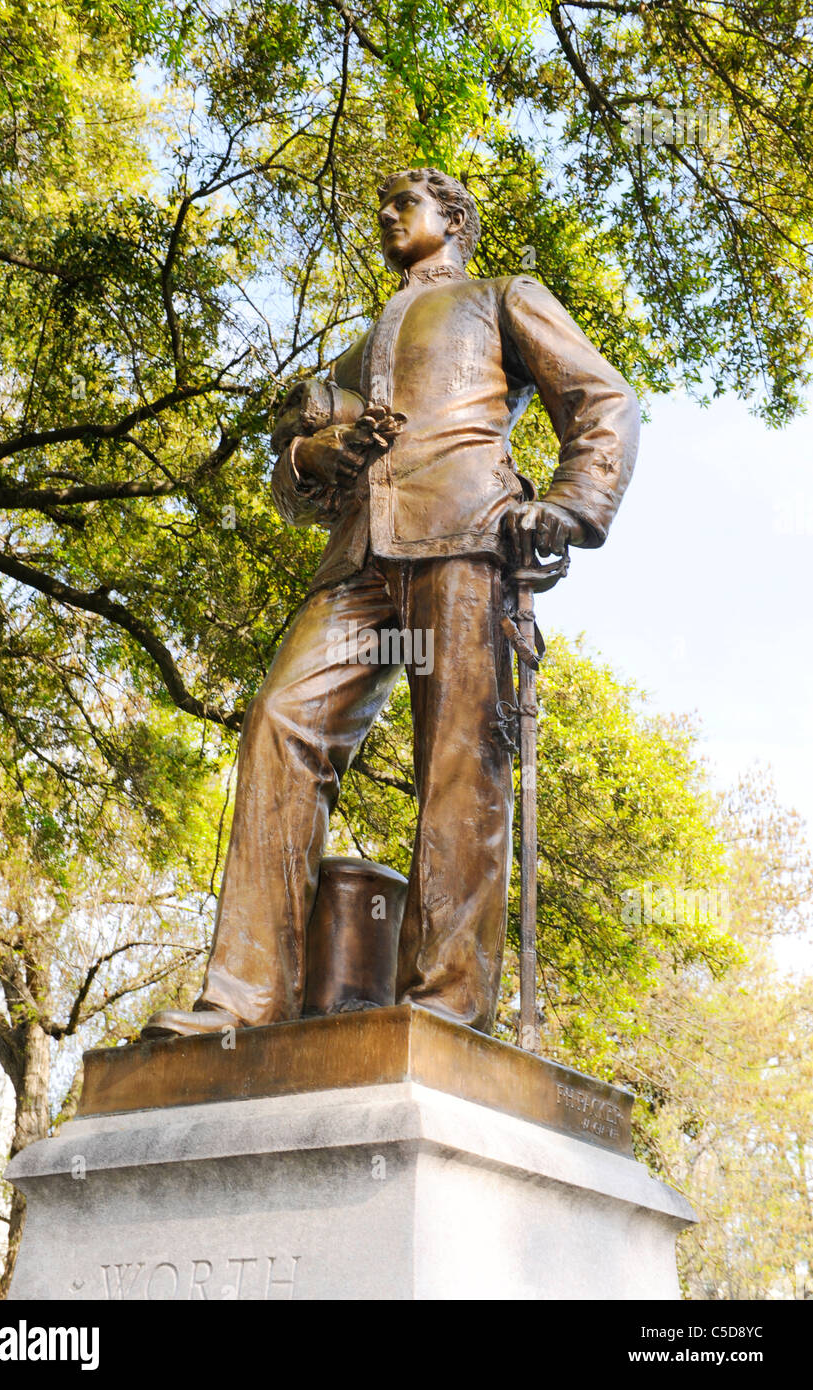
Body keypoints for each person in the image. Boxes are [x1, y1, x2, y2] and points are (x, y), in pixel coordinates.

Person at [143, 167, 639, 1039]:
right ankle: (245, 996)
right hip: (356, 564)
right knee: (279, 721)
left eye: (401, 203)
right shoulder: (352, 354)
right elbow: (291, 479)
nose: (382, 216)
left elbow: (602, 399)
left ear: (451, 219)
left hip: (465, 537)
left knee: (458, 763)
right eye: (379, 205)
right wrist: (311, 459)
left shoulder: (499, 298)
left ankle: (446, 1005)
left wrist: (566, 506)